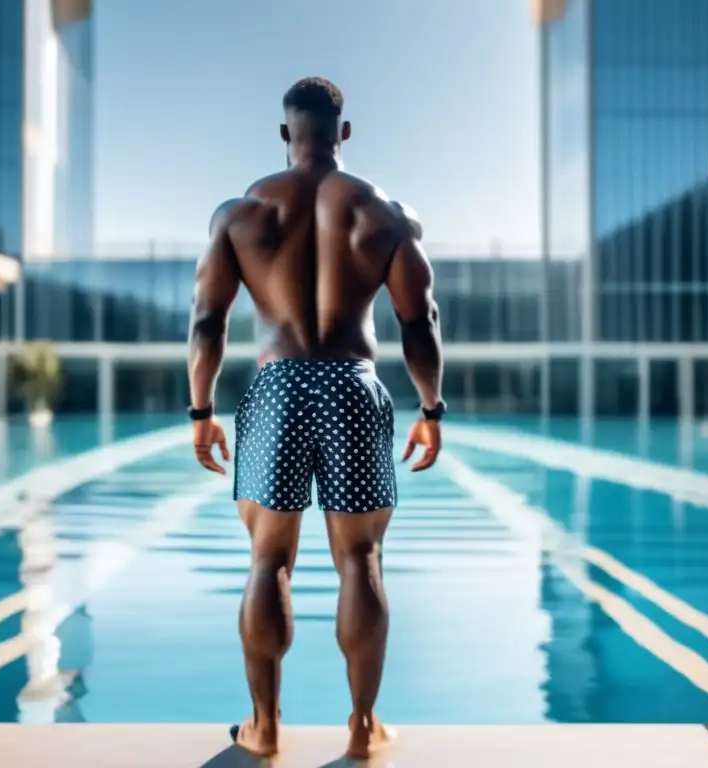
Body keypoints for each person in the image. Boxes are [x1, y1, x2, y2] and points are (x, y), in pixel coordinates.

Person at [186, 76, 445, 760]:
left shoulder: (239, 215)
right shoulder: (383, 214)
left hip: (276, 389)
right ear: (344, 132)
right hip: (353, 387)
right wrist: (431, 408)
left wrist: (201, 412)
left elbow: (206, 321)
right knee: (360, 558)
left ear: (285, 133)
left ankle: (265, 726)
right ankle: (362, 728)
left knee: (268, 558)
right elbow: (420, 322)